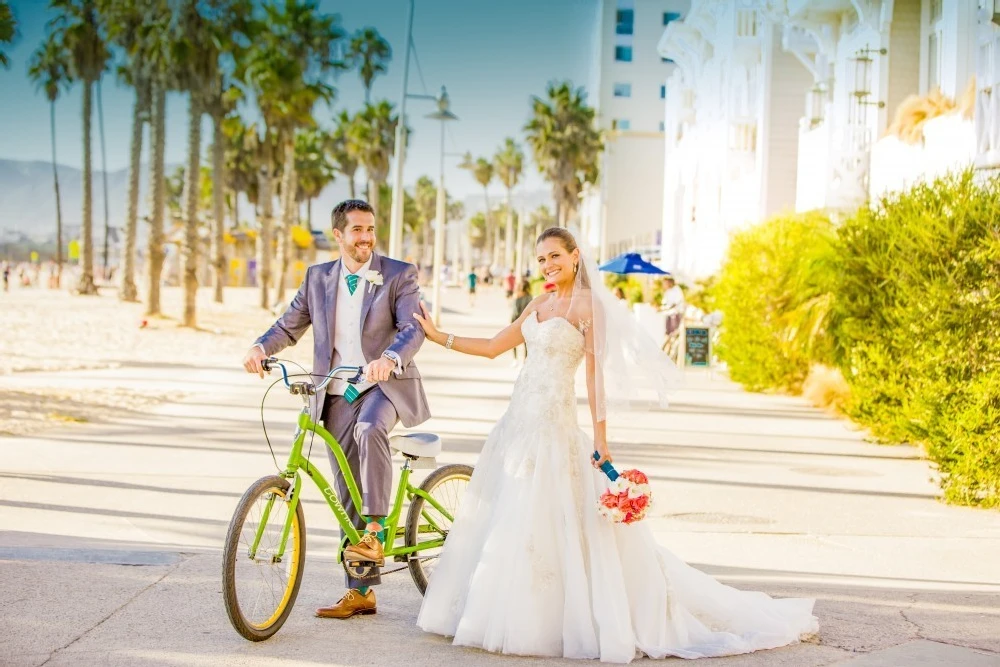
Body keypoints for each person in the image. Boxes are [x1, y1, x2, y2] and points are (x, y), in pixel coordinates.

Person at [412, 227, 817, 662]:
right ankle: (497, 609)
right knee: (509, 518)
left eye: (554, 257)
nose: (547, 265)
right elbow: (494, 347)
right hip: (516, 427)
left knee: (552, 523)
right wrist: (439, 337)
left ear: (574, 256)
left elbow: (594, 375)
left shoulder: (589, 307)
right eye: (541, 259)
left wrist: (602, 439)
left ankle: (552, 620)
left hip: (554, 428)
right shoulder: (538, 304)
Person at [243, 199, 430, 620]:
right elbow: (288, 325)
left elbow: (411, 327)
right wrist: (260, 347)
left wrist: (391, 358)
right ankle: (360, 592)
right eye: (357, 230)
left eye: (371, 228)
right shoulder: (317, 278)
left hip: (383, 385)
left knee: (369, 430)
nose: (366, 237)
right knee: (345, 494)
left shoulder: (399, 274)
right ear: (339, 235)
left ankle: (377, 530)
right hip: (334, 392)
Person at [509, 279, 532, 363]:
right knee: (526, 342)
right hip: (527, 322)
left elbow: (515, 312)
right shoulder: (530, 297)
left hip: (517, 321)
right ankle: (525, 360)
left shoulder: (517, 297)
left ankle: (515, 359)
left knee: (513, 342)